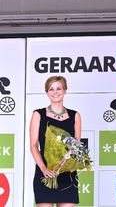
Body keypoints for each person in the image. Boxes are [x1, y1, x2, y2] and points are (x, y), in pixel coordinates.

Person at [30, 76, 82, 207]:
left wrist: (65, 163)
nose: (55, 92)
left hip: (67, 174)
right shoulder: (38, 114)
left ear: (65, 90)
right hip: (45, 173)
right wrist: (44, 169)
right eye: (51, 89)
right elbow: (33, 145)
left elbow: (76, 146)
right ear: (47, 92)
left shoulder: (75, 115)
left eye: (59, 88)